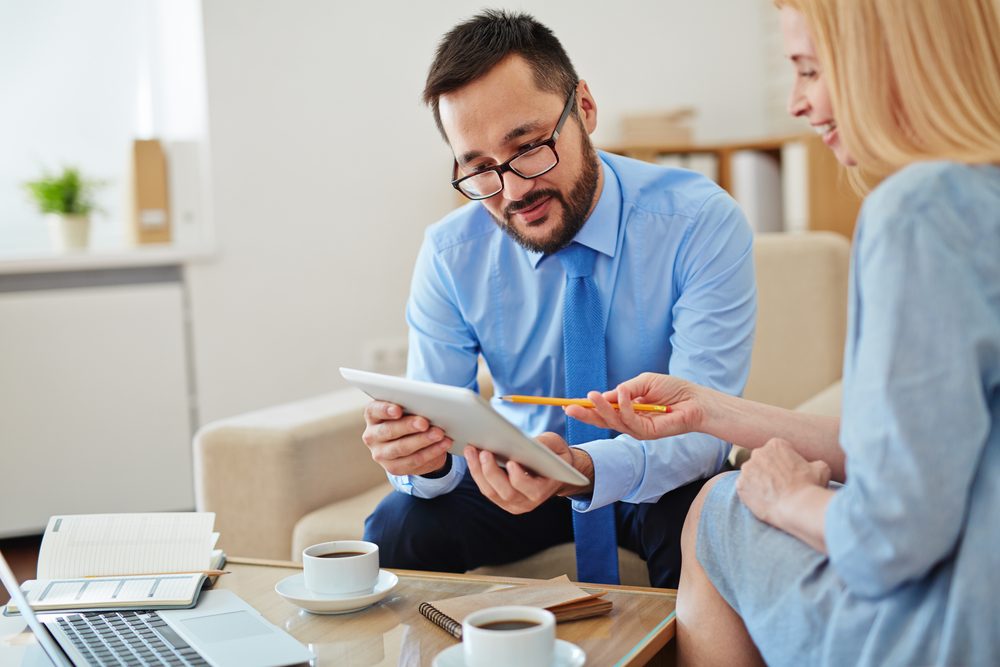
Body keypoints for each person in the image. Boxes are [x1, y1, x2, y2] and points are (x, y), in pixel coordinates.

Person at [568, 0, 1000, 662]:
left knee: (717, 507)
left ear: (889, 64)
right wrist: (707, 409)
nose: (797, 103)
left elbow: (894, 536)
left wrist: (791, 497)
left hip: (954, 625)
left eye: (808, 69)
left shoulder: (919, 211)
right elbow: (915, 449)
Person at [360, 10, 757, 588]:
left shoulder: (699, 222)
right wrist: (421, 458)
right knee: (399, 523)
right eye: (481, 170)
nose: (514, 191)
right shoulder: (450, 253)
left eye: (528, 148)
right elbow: (442, 427)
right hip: (521, 469)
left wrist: (586, 468)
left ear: (585, 109)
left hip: (657, 473)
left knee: (704, 525)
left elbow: (705, 430)